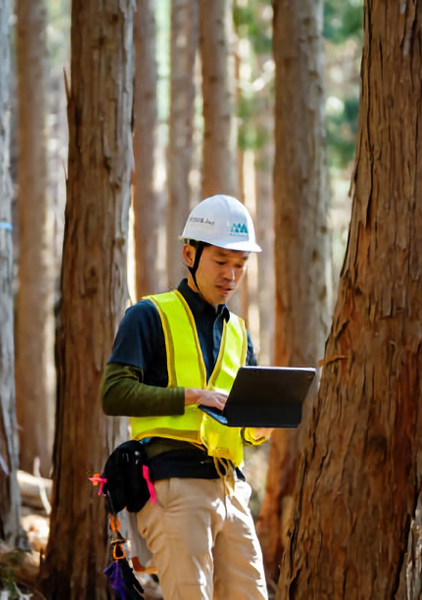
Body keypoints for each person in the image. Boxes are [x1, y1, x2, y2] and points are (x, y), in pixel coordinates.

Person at [101, 194, 270, 600]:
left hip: (231, 488)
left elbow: (240, 423)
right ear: (189, 254)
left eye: (240, 265)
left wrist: (258, 429)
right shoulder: (148, 315)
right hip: (174, 483)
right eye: (221, 262)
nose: (231, 275)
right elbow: (114, 393)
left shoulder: (240, 334)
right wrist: (193, 396)